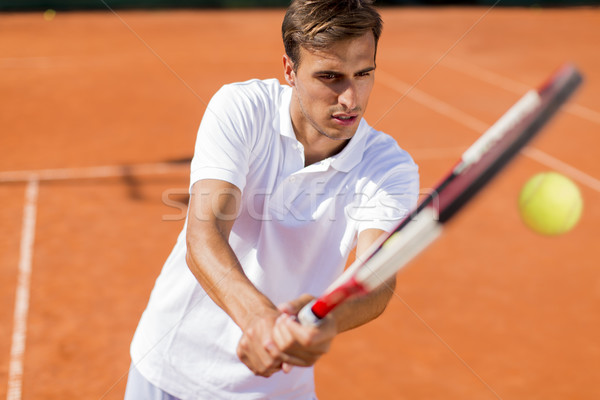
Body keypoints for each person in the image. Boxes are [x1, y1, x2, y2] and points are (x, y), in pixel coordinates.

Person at [126, 0, 419, 398]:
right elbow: (205, 231)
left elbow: (377, 279)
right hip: (172, 370)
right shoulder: (241, 109)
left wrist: (327, 322)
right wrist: (260, 320)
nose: (351, 99)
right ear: (289, 71)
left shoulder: (390, 167)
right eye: (330, 77)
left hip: (280, 389)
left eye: (363, 74)